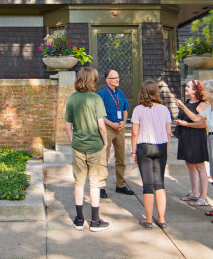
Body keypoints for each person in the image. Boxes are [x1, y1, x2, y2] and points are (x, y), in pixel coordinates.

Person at [176, 79, 213, 224]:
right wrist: (183, 107)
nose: (203, 92)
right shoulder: (211, 108)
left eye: (206, 90)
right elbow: (196, 118)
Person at [65, 67, 110, 232]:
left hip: (78, 146)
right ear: (92, 80)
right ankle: (95, 220)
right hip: (95, 146)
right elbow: (101, 125)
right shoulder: (96, 99)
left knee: (79, 182)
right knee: (95, 183)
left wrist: (73, 141)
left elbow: (68, 126)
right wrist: (105, 143)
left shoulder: (72, 99)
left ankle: (79, 219)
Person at [131, 80, 172, 229]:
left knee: (147, 184)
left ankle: (148, 220)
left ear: (142, 92)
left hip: (144, 146)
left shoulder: (138, 110)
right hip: (161, 146)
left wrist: (133, 151)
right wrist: (166, 149)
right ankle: (162, 219)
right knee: (159, 183)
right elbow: (168, 132)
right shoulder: (164, 109)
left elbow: (135, 133)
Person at [98, 69, 134, 198]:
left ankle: (121, 185)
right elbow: (100, 115)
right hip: (107, 128)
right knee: (104, 158)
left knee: (121, 158)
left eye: (118, 77)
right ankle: (101, 187)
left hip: (120, 128)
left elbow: (125, 109)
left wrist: (124, 121)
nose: (117, 80)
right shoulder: (101, 94)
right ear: (107, 80)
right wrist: (111, 124)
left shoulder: (121, 93)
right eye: (114, 78)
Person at [174, 79, 209, 206]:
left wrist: (186, 124)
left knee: (200, 166)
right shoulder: (188, 102)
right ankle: (194, 192)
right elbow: (185, 117)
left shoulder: (202, 105)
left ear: (195, 90)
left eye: (188, 87)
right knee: (189, 164)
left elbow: (203, 124)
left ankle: (203, 197)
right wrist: (179, 122)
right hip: (186, 137)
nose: (186, 88)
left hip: (196, 137)